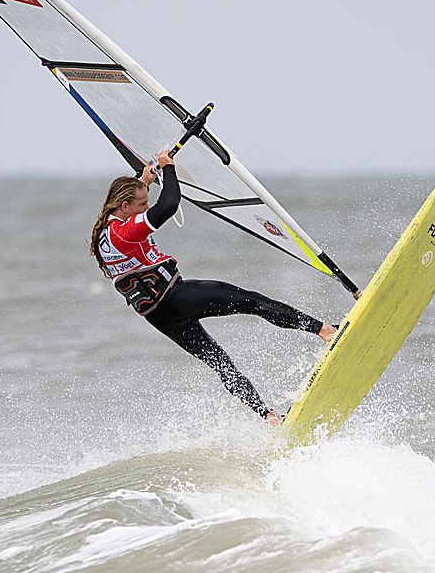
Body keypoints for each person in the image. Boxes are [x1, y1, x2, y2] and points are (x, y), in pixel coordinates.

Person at [88, 151, 336, 426]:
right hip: (176, 298)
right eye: (142, 203)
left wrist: (145, 180)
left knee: (220, 363)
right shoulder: (125, 232)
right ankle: (326, 332)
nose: (146, 207)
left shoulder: (105, 233)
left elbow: (136, 202)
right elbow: (169, 204)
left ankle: (270, 418)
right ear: (124, 206)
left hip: (160, 318)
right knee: (251, 302)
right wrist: (168, 168)